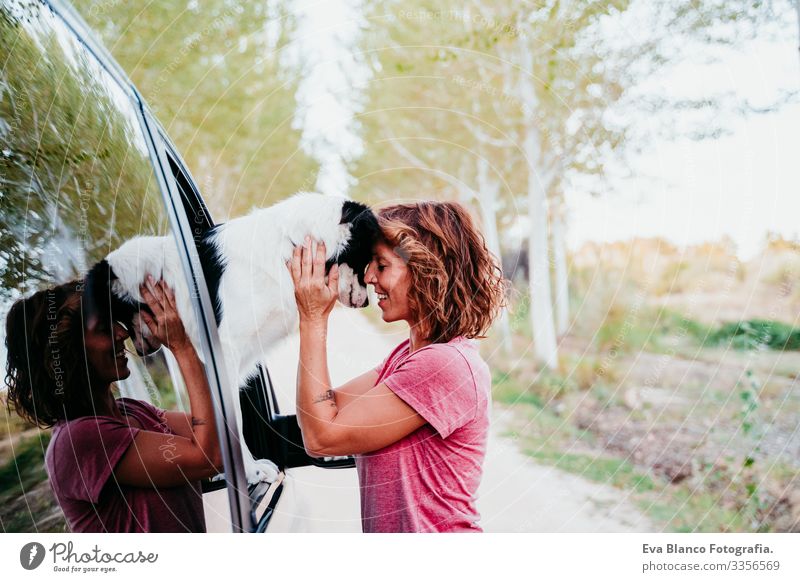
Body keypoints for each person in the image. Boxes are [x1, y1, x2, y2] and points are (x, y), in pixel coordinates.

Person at [288, 200, 507, 532]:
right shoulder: (408, 356)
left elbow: (322, 437)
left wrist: (313, 319)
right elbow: (324, 410)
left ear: (424, 269)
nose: (369, 276)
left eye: (381, 264)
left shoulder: (443, 365)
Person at [4, 276, 222, 532]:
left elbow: (220, 434)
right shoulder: (76, 442)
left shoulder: (135, 411)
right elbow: (209, 458)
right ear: (69, 351)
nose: (122, 333)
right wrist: (181, 347)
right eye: (103, 328)